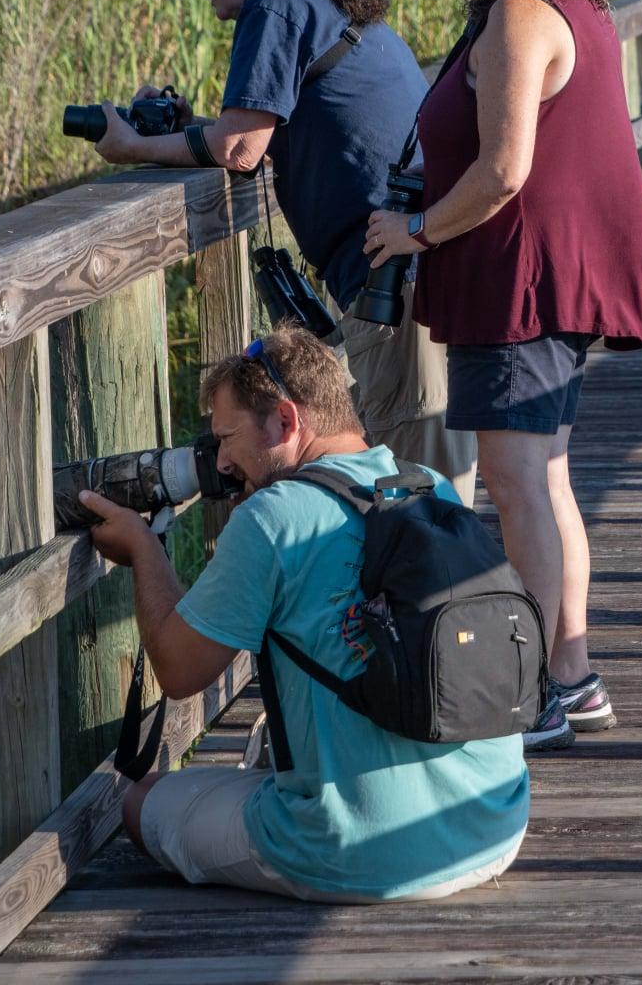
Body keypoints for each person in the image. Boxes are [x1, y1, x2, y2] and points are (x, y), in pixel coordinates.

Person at [364, 0, 642, 751]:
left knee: (516, 482)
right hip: (545, 276)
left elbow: (503, 171)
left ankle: (548, 687)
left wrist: (413, 234)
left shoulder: (519, 13)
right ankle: (575, 680)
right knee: (545, 480)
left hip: (520, 283)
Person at [82, 325, 529, 902]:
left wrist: (143, 550)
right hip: (494, 825)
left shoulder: (274, 516)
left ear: (287, 422)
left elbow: (178, 671)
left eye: (228, 438)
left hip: (361, 852)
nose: (219, 462)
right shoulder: (431, 486)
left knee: (142, 804)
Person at [88, 0, 477, 506]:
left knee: (417, 495)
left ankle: (443, 603)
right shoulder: (322, 0)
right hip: (420, 270)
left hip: (396, 280)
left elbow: (241, 146)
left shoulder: (275, 2)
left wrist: (132, 144)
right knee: (420, 474)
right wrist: (187, 131)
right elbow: (277, 128)